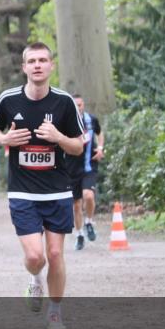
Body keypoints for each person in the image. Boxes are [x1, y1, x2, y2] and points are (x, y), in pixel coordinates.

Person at [0, 42, 86, 329]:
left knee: (55, 254)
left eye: (43, 60)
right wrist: (6, 140)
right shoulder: (8, 100)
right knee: (36, 257)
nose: (38, 65)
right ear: (24, 67)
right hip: (23, 192)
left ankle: (55, 314)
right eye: (32, 61)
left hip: (57, 190)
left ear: (51, 66)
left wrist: (58, 137)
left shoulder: (64, 102)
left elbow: (78, 146)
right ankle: (35, 280)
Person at [67, 95, 104, 251]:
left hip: (89, 166)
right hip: (71, 170)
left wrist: (100, 148)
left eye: (80, 104)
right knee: (76, 205)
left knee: (88, 195)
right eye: (75, 105)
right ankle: (80, 234)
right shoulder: (65, 122)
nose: (78, 107)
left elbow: (99, 132)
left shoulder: (91, 120)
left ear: (83, 105)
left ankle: (89, 222)